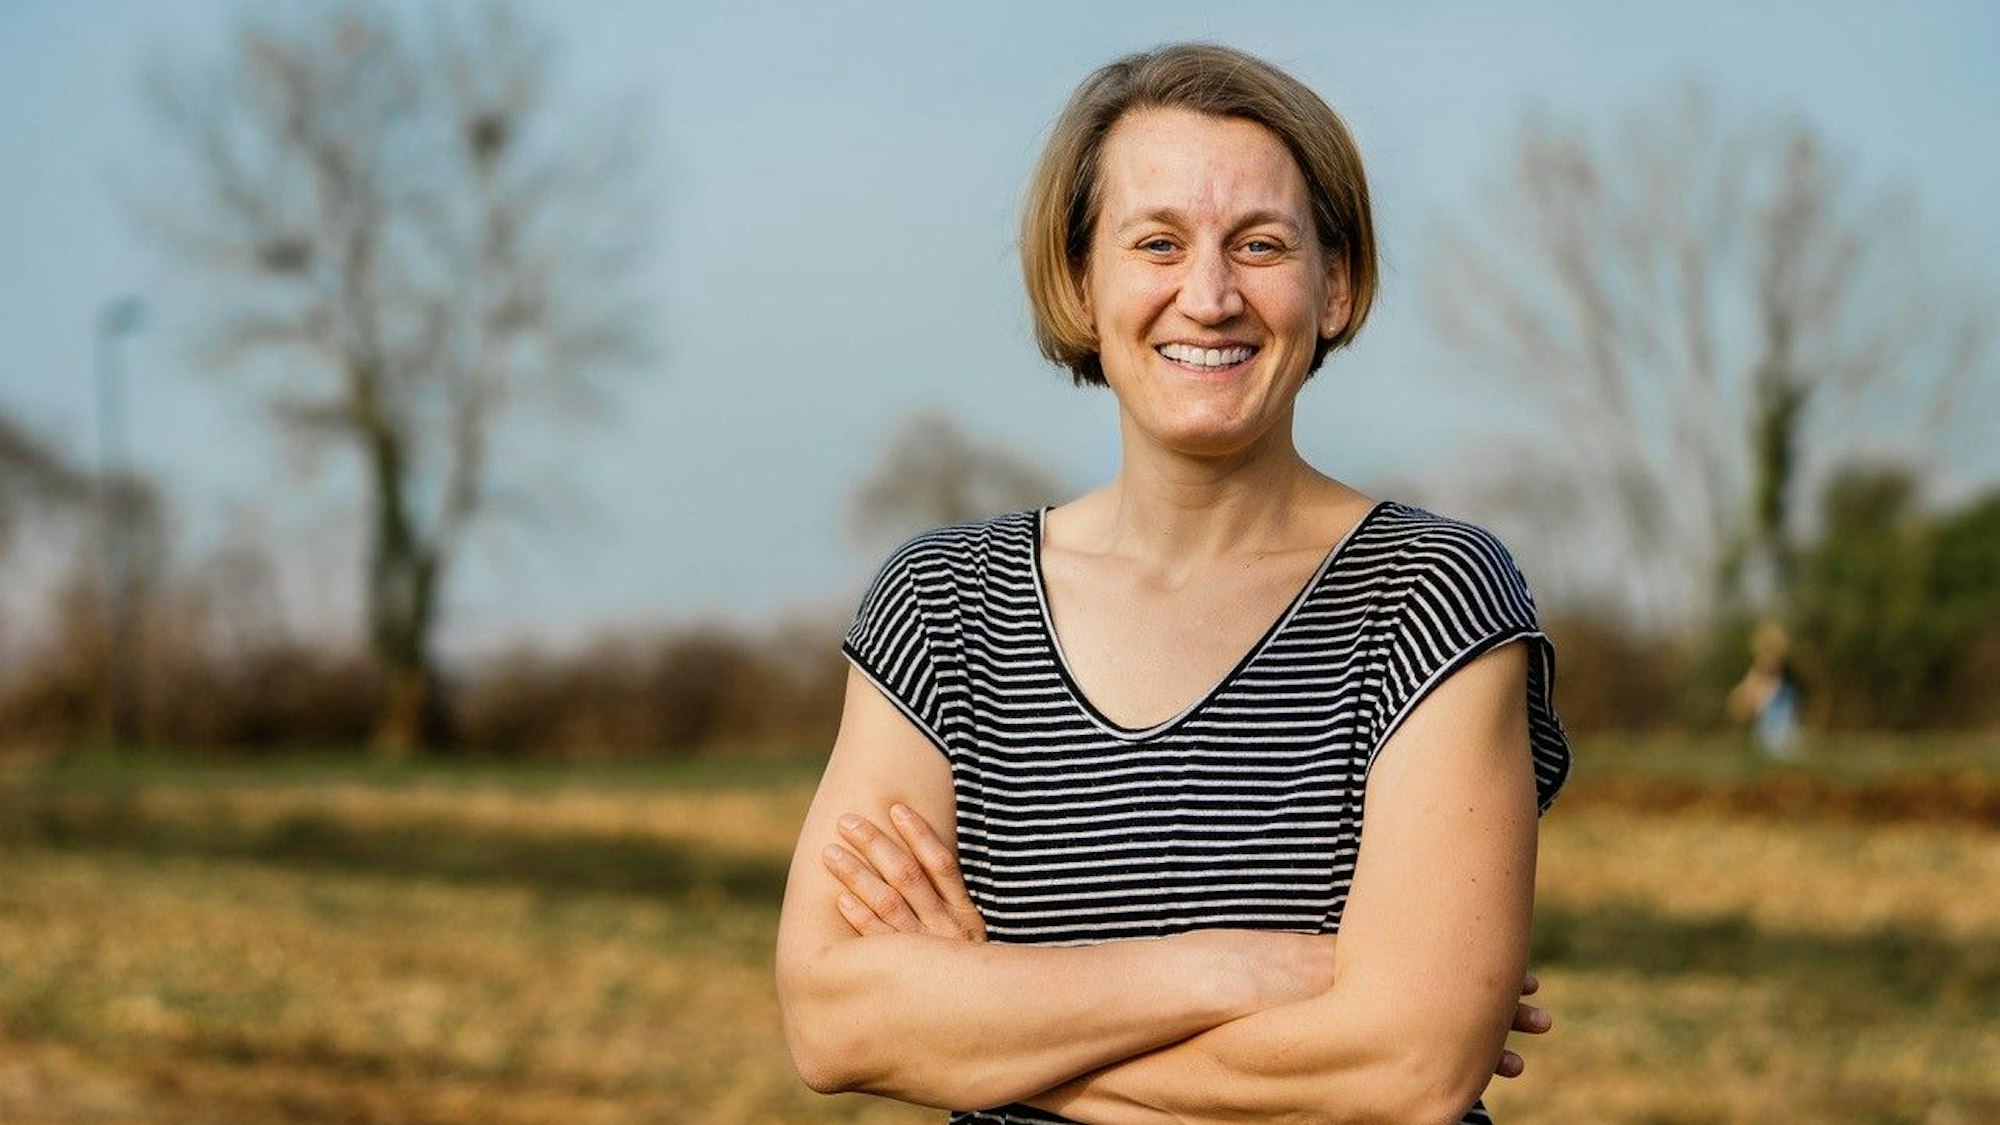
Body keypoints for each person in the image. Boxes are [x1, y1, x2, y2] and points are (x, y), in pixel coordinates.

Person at [776, 43, 1571, 1125]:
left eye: (1259, 244)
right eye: (1156, 242)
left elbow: (1404, 1072)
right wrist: (1219, 973)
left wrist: (980, 1029)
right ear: (1079, 280)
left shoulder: (1431, 597)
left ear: (1333, 286)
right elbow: (833, 1022)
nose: (1208, 296)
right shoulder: (943, 607)